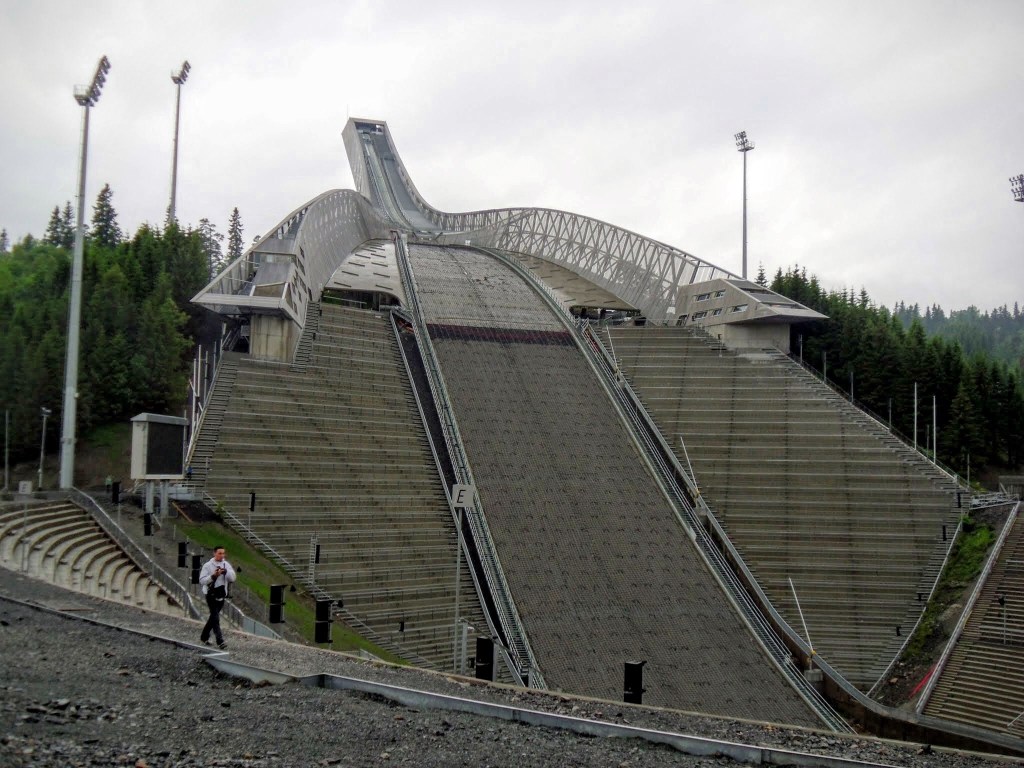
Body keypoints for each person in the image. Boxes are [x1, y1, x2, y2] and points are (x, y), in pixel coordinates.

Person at [199, 546, 236, 649]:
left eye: (223, 553)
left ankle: (204, 636)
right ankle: (220, 641)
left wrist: (225, 572)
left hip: (221, 594)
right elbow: (202, 580)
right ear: (214, 553)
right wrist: (213, 576)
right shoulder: (207, 566)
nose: (222, 555)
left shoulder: (226, 564)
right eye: (219, 553)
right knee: (215, 618)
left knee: (213, 618)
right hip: (210, 594)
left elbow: (233, 578)